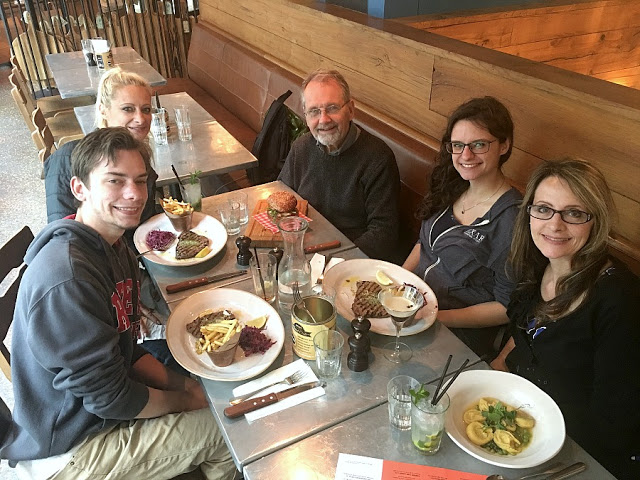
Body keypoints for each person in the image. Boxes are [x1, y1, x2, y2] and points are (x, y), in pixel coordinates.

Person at [0, 128, 236, 480]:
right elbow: (113, 399)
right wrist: (187, 401)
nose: (134, 194)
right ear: (79, 188)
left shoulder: (114, 245)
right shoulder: (69, 280)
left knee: (201, 387)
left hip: (97, 411)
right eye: (115, 181)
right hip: (72, 449)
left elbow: (125, 351)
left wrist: (184, 386)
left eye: (140, 181)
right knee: (226, 432)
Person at [491, 159, 640, 480]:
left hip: (580, 455)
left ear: (596, 221)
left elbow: (615, 418)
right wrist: (498, 369)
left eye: (574, 213)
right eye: (543, 208)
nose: (555, 225)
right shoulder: (534, 263)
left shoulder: (619, 297)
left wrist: (538, 449)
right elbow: (524, 336)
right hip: (524, 426)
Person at [402, 97, 522, 357]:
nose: (466, 155)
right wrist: (396, 284)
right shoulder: (451, 186)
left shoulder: (512, 220)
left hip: (457, 336)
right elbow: (423, 246)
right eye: (458, 145)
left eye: (478, 144)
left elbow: (504, 307)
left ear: (504, 145)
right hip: (410, 310)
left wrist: (435, 317)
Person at [278, 69, 400, 261]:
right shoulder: (301, 147)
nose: (324, 119)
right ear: (306, 115)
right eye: (314, 111)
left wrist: (333, 262)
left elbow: (383, 234)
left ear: (351, 110)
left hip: (349, 258)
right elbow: (282, 200)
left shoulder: (378, 158)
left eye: (332, 108)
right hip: (303, 248)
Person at [44, 67, 158, 224]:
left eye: (146, 109)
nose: (140, 119)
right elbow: (61, 229)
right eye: (127, 109)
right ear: (102, 110)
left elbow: (143, 221)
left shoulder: (139, 155)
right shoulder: (66, 158)